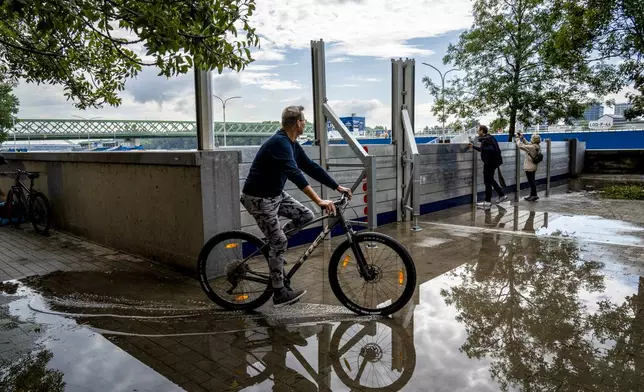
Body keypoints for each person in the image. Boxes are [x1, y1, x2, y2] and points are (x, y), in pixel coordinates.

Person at [241, 105, 352, 307]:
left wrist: (336, 187)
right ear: (297, 123)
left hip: (275, 194)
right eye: (304, 120)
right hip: (259, 199)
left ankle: (275, 247)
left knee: (305, 217)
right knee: (280, 242)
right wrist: (319, 200)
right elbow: (295, 174)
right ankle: (279, 293)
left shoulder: (291, 143)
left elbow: (310, 167)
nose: (306, 123)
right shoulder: (279, 143)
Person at [469, 125, 508, 210]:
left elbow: (490, 149)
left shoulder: (486, 139)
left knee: (487, 181)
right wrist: (473, 147)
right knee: (490, 180)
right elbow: (484, 149)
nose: (477, 132)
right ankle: (501, 195)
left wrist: (482, 143)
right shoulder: (490, 138)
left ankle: (488, 201)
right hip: (493, 163)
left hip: (490, 163)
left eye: (478, 130)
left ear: (482, 131)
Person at [516, 132, 541, 201]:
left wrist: (518, 139)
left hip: (529, 167)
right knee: (532, 181)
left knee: (531, 182)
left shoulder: (532, 147)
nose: (531, 139)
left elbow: (520, 146)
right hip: (534, 166)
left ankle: (534, 195)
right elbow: (527, 144)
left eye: (531, 138)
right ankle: (532, 194)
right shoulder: (537, 146)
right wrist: (522, 138)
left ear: (533, 139)